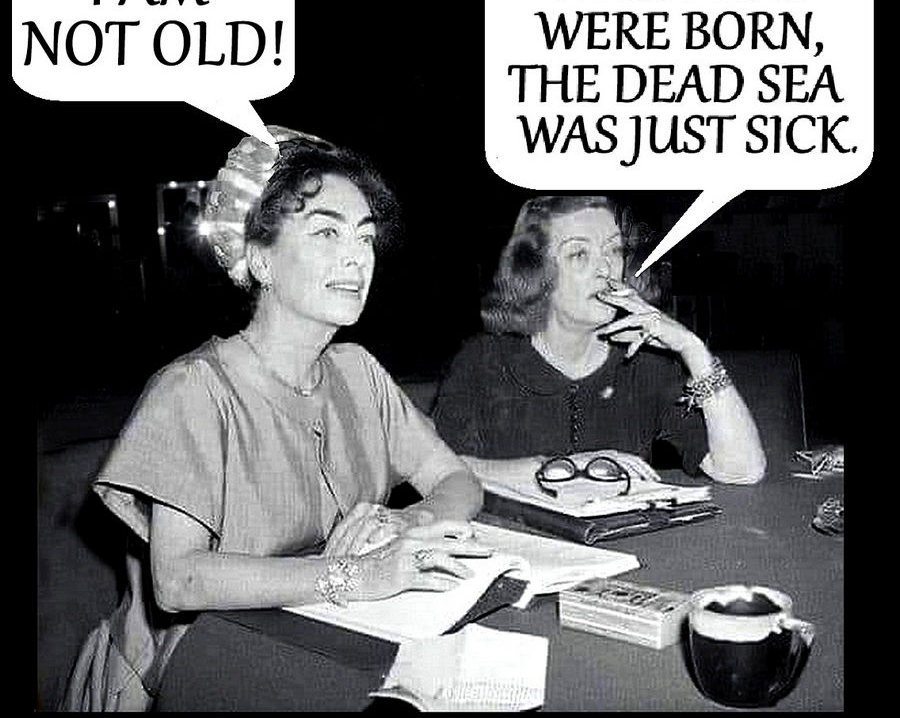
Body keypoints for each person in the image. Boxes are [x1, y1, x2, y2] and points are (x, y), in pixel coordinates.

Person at [62, 127, 485, 711]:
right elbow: (178, 580)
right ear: (260, 259)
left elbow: (458, 481)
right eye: (327, 232)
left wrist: (404, 525)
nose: (357, 256)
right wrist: (355, 574)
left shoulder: (359, 372)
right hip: (188, 674)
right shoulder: (193, 389)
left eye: (364, 236)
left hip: (318, 645)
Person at [432, 195, 766, 485]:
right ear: (536, 272)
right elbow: (437, 471)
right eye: (580, 254)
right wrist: (567, 468)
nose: (606, 269)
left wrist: (694, 351)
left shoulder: (645, 364)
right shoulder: (483, 361)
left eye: (614, 250)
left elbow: (743, 470)